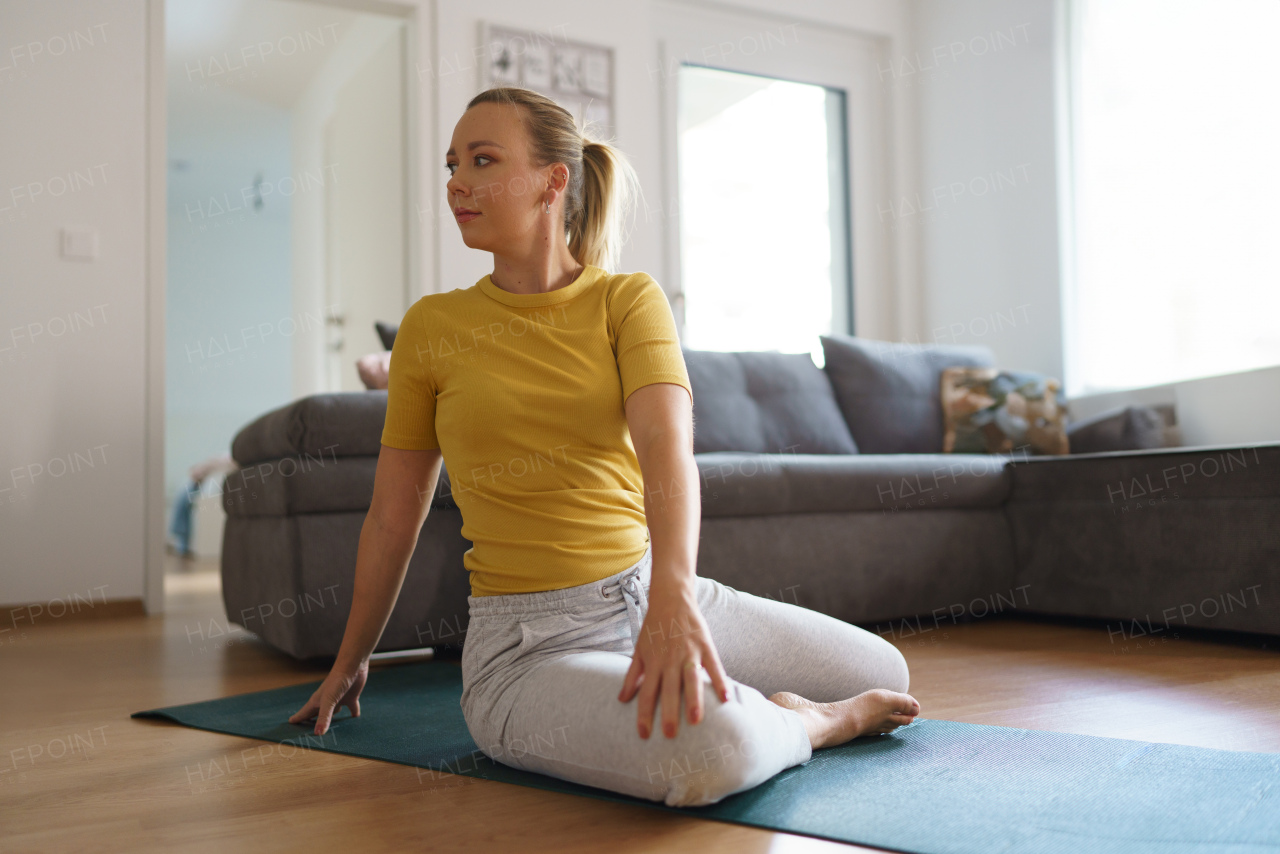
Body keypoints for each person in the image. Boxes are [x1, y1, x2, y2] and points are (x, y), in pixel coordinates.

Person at [289, 86, 920, 808]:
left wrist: (675, 601)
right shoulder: (431, 328)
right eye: (452, 164)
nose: (456, 182)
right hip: (529, 650)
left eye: (483, 160)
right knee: (716, 753)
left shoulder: (628, 301)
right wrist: (352, 657)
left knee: (883, 668)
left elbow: (666, 453)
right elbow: (391, 518)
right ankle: (806, 723)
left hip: (651, 592)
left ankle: (752, 704)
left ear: (555, 180)